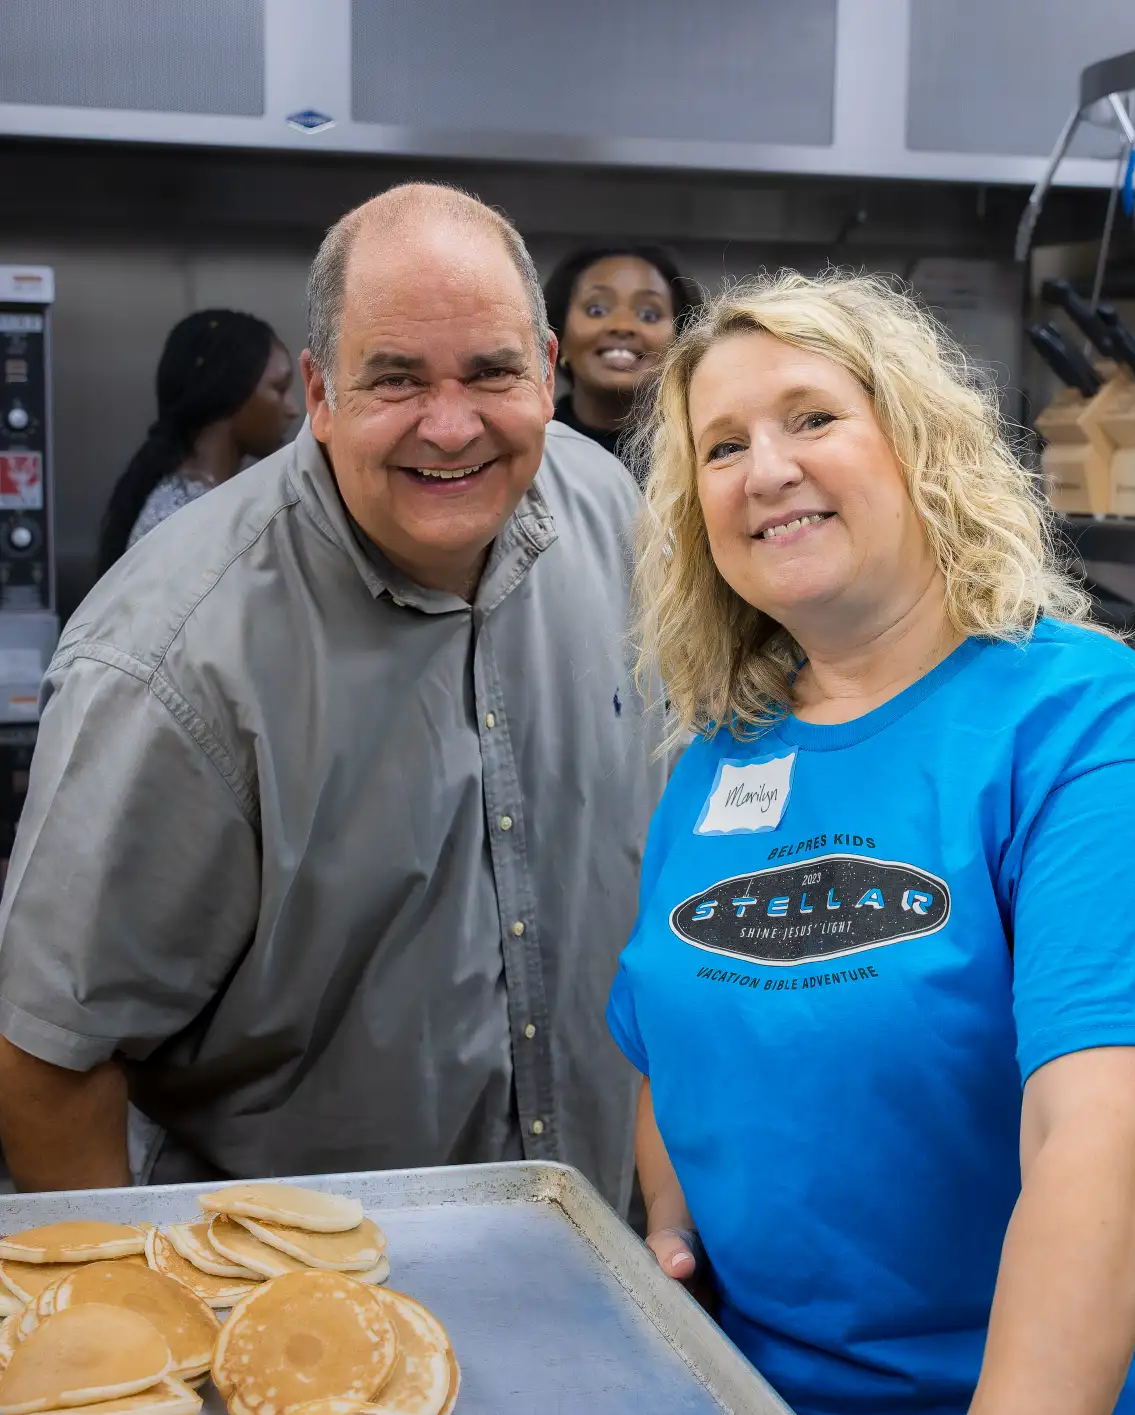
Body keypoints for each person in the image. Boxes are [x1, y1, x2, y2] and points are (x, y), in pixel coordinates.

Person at [608, 270, 1135, 1415]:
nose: (765, 469)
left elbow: (1097, 1164)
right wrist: (673, 1220)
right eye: (722, 446)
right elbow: (665, 1039)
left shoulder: (1084, 725)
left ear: (919, 439)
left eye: (813, 417)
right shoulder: (724, 752)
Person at [0, 183, 665, 1210]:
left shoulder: (608, 513)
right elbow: (48, 1064)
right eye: (395, 379)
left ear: (544, 369)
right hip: (303, 1308)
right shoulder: (171, 662)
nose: (450, 429)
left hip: (604, 1247)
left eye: (491, 373)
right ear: (318, 391)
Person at [96, 309, 298, 572]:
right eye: (279, 389)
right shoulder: (189, 519)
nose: (292, 408)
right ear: (231, 392)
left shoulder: (206, 503)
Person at [542, 245, 699, 461]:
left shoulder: (701, 453)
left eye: (649, 315)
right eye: (597, 310)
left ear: (681, 341)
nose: (623, 326)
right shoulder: (527, 448)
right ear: (559, 337)